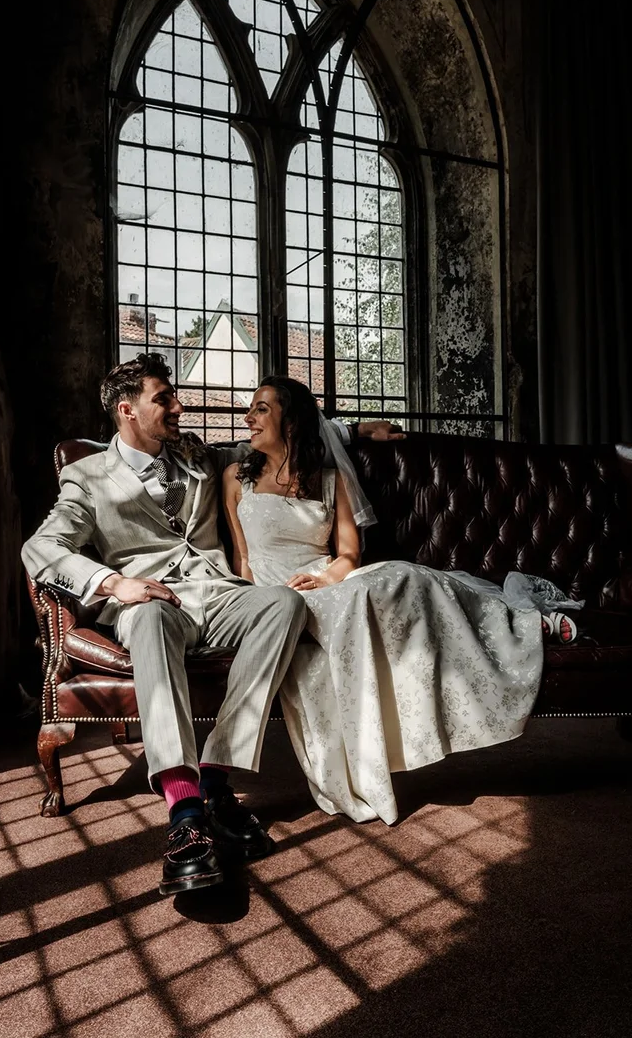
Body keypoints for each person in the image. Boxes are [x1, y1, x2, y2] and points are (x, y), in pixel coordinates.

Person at [22, 353, 403, 895]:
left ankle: (217, 778)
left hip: (218, 594)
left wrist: (357, 428)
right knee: (150, 618)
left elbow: (277, 436)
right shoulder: (86, 478)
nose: (178, 406)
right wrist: (115, 585)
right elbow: (41, 548)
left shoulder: (196, 453)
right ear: (127, 411)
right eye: (164, 399)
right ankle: (185, 813)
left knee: (282, 605)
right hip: (150, 602)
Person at [222, 376, 582, 825]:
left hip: (331, 581)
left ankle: (524, 621)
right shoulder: (236, 477)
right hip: (276, 599)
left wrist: (324, 576)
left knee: (404, 576)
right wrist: (256, 607)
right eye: (250, 410)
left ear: (291, 421)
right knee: (367, 599)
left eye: (260, 409)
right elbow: (242, 560)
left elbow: (349, 553)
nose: (247, 419)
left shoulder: (328, 478)